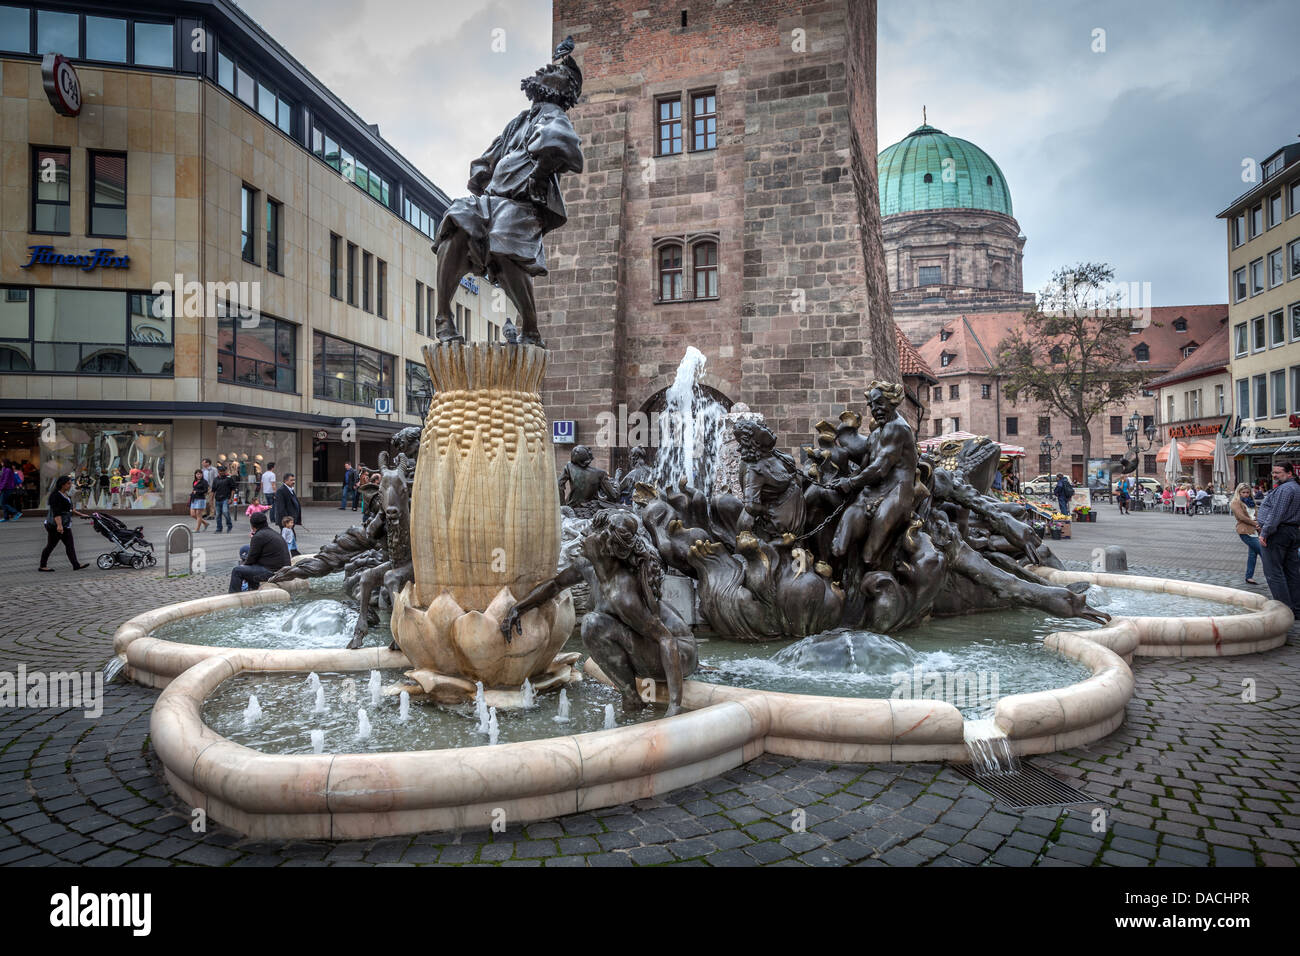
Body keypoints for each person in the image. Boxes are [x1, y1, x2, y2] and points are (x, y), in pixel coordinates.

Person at [1256, 461, 1300, 615]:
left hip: (1278, 533)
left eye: (1278, 472)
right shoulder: (1295, 488)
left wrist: (1265, 532)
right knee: (1292, 571)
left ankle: (1284, 610)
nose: (1274, 475)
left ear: (1289, 473)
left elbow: (1276, 514)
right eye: (1273, 473)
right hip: (1292, 532)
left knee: (1274, 572)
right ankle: (1296, 608)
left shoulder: (1286, 489)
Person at [228, 511, 290, 592]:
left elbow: (251, 559)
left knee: (237, 571)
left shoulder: (258, 536)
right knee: (246, 552)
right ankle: (252, 589)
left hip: (273, 572)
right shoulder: (272, 533)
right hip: (283, 570)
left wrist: (243, 566)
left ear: (252, 525)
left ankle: (234, 597)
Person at [39, 475, 90, 571]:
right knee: (50, 546)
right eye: (68, 483)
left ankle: (76, 565)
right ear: (62, 485)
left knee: (70, 545)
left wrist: (81, 514)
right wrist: (59, 525)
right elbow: (56, 512)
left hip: (65, 525)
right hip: (55, 525)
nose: (70, 485)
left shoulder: (66, 495)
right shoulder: (55, 496)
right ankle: (42, 566)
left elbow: (70, 509)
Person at [1231, 483, 1262, 585]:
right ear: (1239, 492)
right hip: (1245, 531)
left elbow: (1256, 514)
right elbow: (1241, 517)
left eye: (1248, 492)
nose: (1246, 494)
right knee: (1264, 553)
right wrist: (1255, 523)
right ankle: (1273, 576)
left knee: (1252, 554)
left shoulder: (1251, 502)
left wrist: (1258, 523)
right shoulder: (1236, 503)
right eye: (1243, 492)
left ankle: (1249, 577)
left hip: (1255, 530)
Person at [211, 464, 237, 533]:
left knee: (225, 512)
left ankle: (229, 525)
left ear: (225, 471)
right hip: (217, 499)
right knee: (218, 514)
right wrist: (211, 500)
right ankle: (219, 528)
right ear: (218, 471)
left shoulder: (229, 478)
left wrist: (231, 498)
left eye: (223, 471)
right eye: (220, 471)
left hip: (226, 498)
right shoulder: (215, 479)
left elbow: (233, 489)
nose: (221, 472)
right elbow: (213, 490)